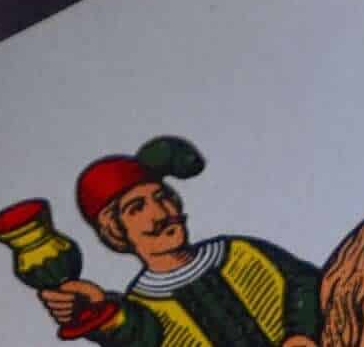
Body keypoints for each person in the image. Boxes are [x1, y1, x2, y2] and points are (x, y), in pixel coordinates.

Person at [35, 142, 320, 347]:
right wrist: (97, 311)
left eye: (161, 197)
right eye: (137, 209)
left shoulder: (241, 253)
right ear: (116, 231)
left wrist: (302, 334)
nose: (161, 214)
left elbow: (307, 283)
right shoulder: (143, 309)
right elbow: (132, 333)